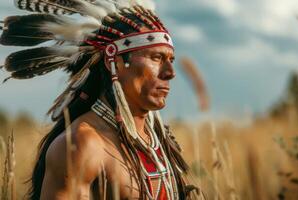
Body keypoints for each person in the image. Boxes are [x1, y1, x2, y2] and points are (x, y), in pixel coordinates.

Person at [0, 1, 198, 199]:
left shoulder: (156, 139)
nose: (170, 73)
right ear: (115, 61)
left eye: (170, 60)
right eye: (156, 58)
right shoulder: (83, 144)